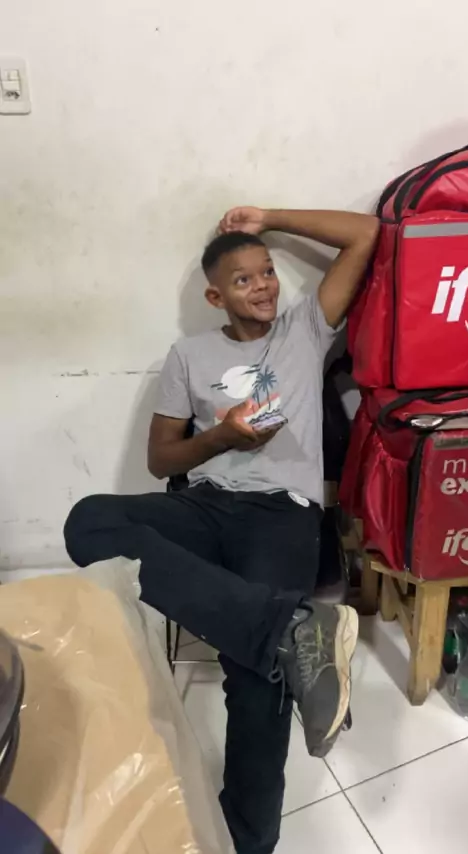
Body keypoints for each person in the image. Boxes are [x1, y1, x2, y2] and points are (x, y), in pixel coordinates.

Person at [64, 206, 379, 854]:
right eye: (243, 280)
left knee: (258, 681)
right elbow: (161, 461)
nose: (263, 286)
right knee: (89, 519)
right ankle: (287, 629)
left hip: (284, 514)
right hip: (206, 505)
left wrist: (270, 217)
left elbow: (366, 234)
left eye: (268, 272)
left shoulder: (304, 329)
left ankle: (247, 842)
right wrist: (221, 437)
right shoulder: (188, 355)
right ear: (215, 297)